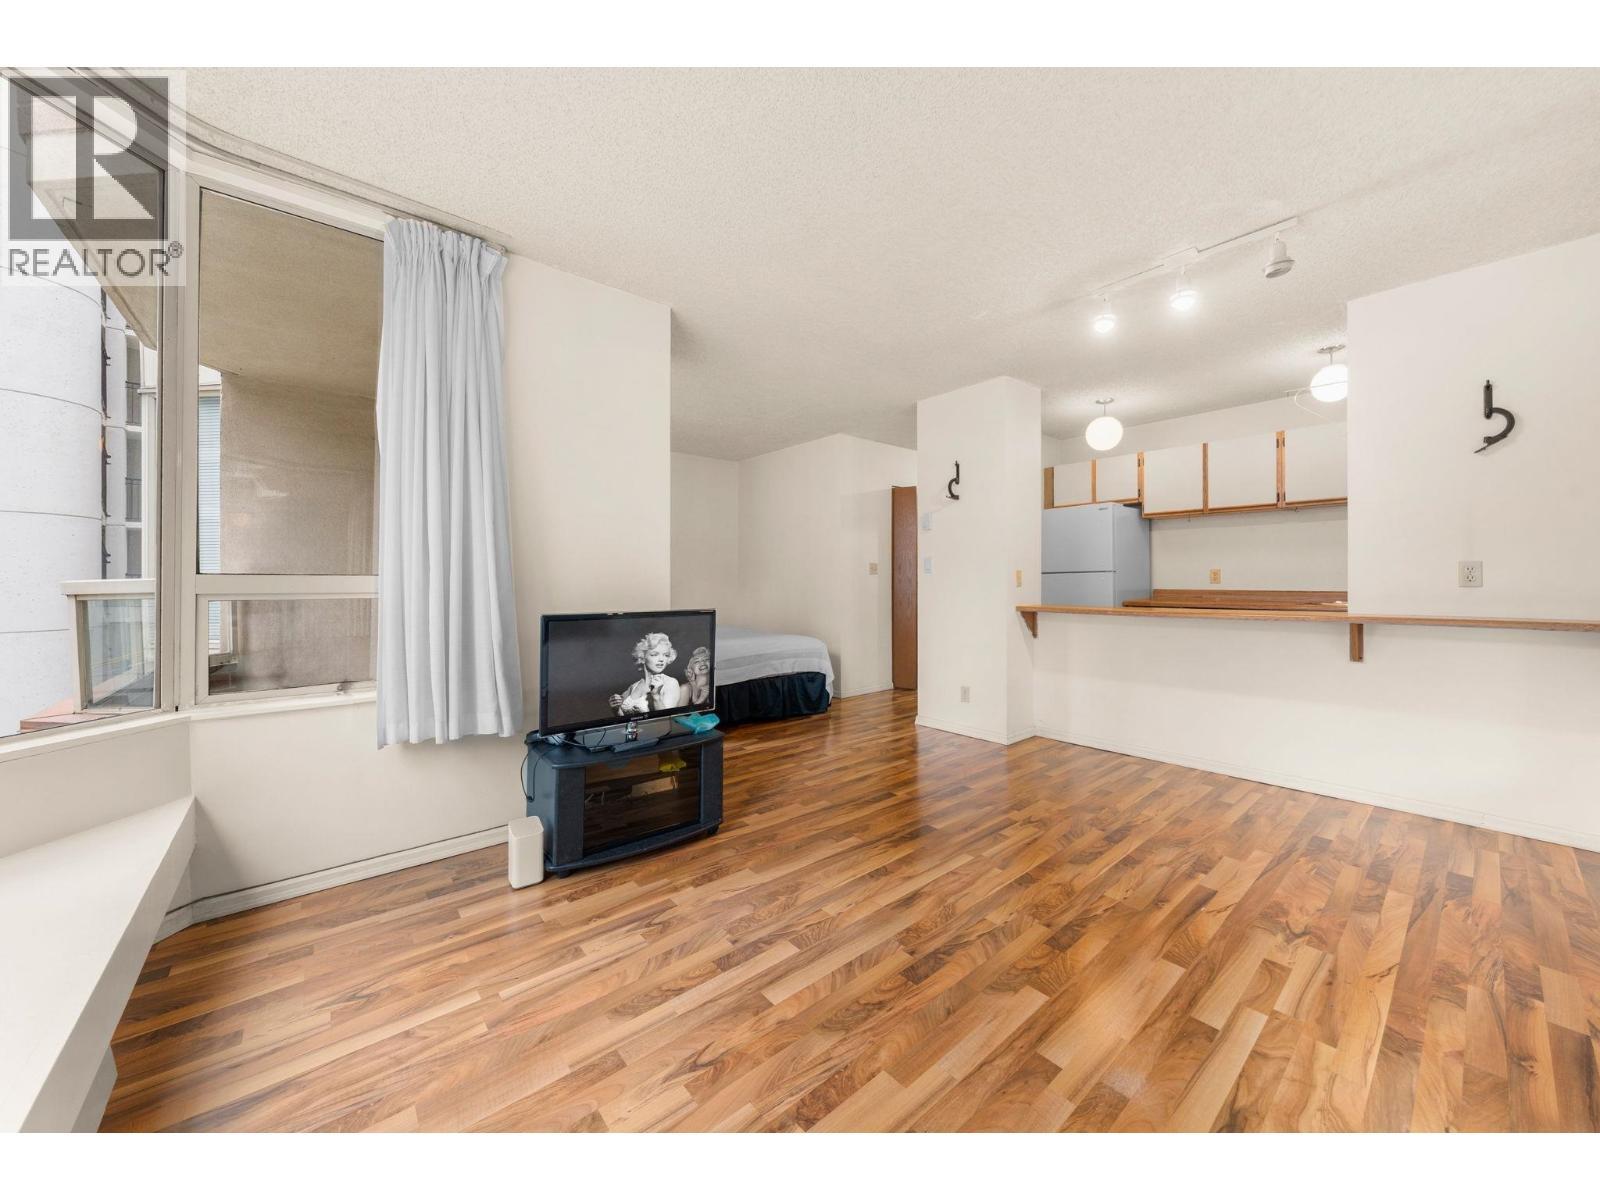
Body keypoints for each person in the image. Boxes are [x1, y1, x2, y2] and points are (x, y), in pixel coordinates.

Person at [609, 632, 682, 716]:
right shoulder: (633, 687)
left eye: (666, 655)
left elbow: (667, 719)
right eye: (654, 654)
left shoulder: (671, 683)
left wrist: (656, 696)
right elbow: (623, 719)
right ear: (642, 658)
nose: (661, 659)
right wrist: (616, 709)